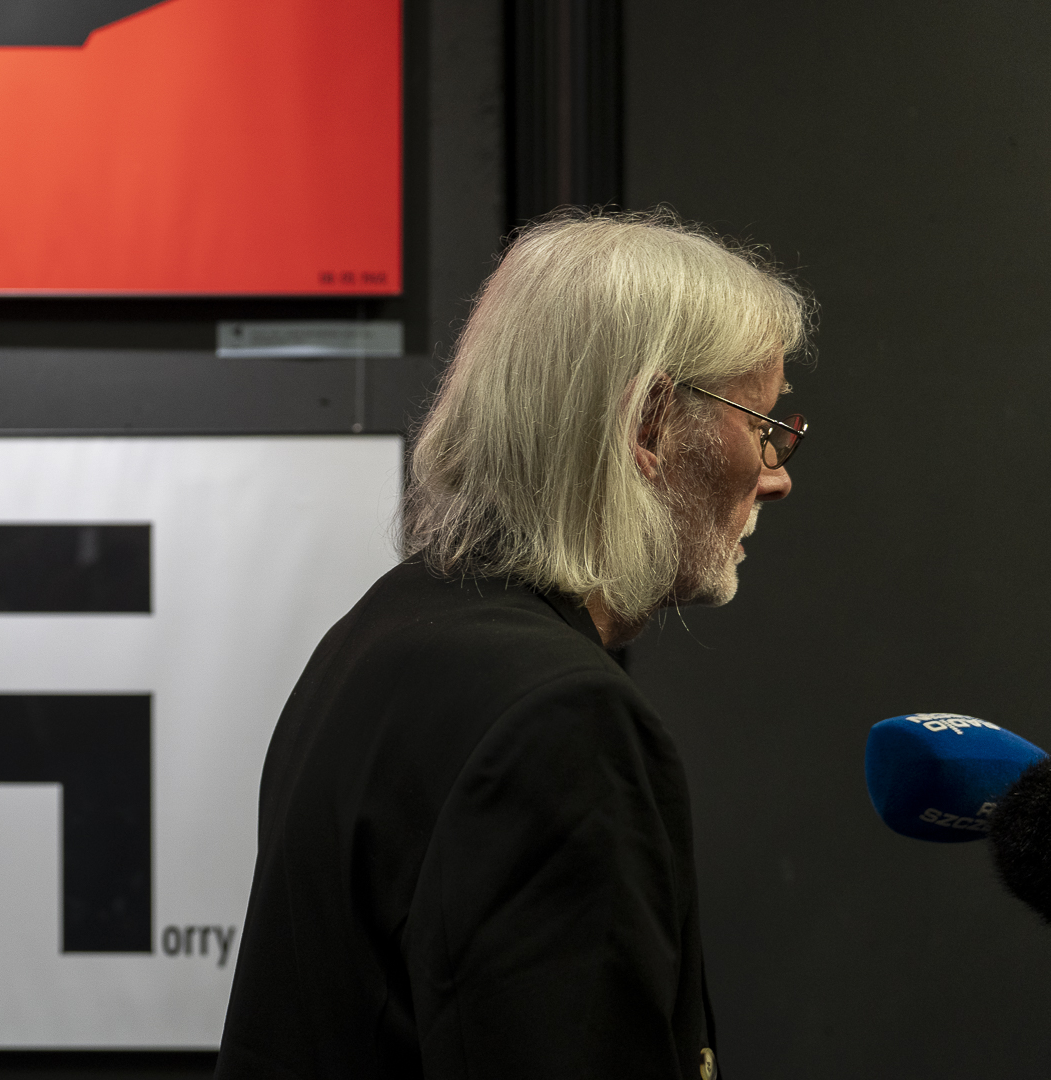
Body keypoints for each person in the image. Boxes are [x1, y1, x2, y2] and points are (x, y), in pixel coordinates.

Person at [215, 210, 813, 1080]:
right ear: (648, 426)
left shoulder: (385, 631)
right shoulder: (560, 720)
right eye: (760, 425)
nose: (775, 474)